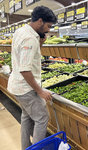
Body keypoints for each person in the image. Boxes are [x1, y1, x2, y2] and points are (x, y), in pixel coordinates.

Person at [7, 6, 57, 150]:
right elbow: (25, 69)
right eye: (48, 26)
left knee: (26, 116)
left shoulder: (21, 31)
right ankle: (36, 148)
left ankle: (26, 147)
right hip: (26, 88)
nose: (48, 30)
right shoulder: (30, 38)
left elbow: (29, 57)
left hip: (16, 86)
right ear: (40, 21)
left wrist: (40, 43)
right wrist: (40, 91)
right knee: (42, 118)